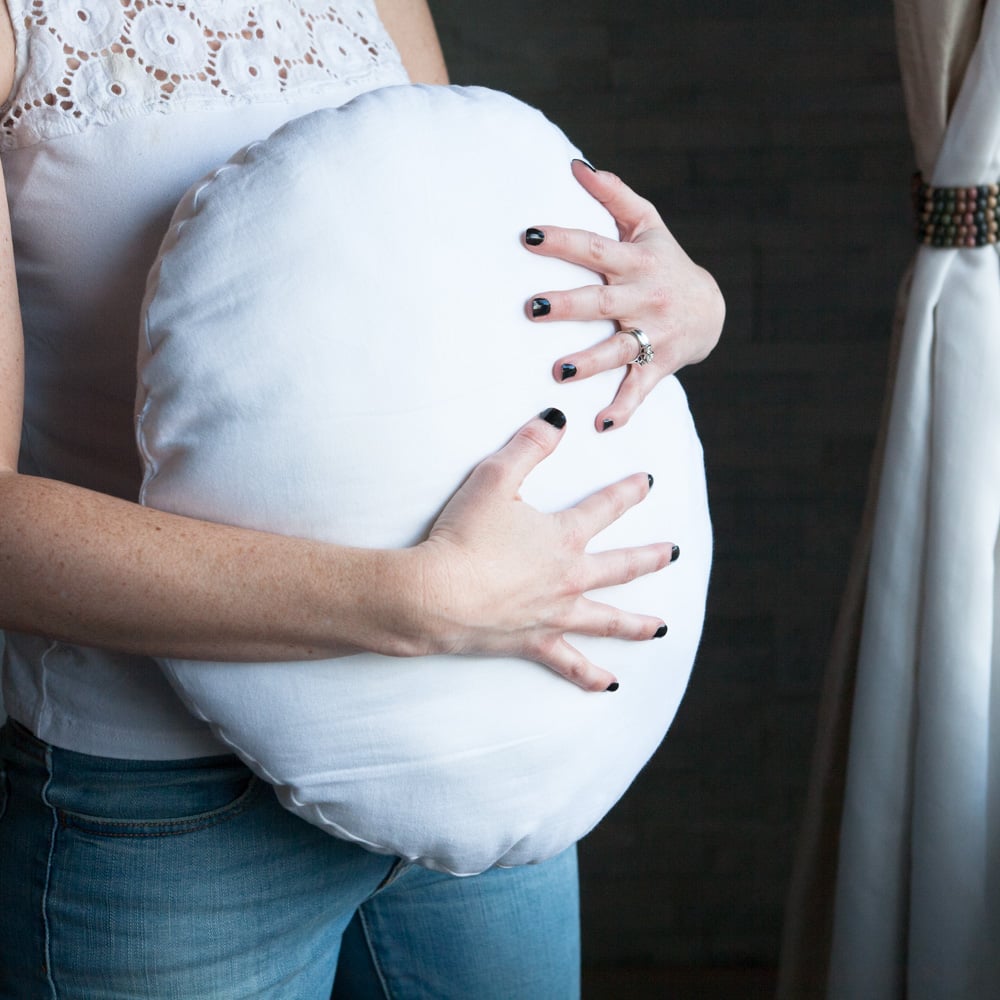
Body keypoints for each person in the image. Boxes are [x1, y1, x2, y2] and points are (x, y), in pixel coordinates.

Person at [0, 0, 724, 996]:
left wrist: (679, 305)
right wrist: (410, 606)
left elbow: (450, 275)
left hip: (481, 733)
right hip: (162, 812)